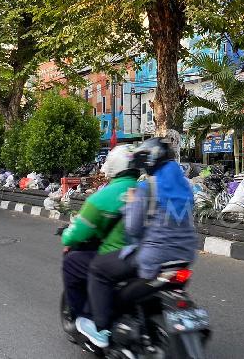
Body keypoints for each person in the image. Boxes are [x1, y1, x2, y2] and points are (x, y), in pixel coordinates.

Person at [76, 137, 198, 348]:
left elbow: (132, 228)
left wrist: (132, 203)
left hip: (155, 257)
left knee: (98, 269)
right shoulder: (185, 186)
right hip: (185, 256)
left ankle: (101, 329)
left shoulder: (147, 187)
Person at [60, 145, 140, 332]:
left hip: (119, 255)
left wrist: (66, 236)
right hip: (149, 252)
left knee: (71, 263)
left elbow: (78, 232)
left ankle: (85, 319)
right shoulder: (145, 189)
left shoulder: (103, 196)